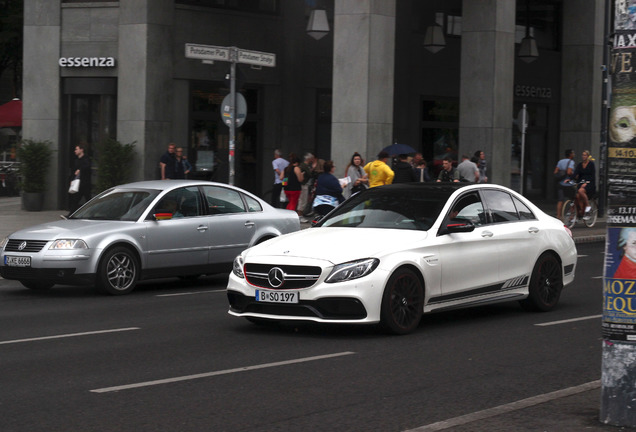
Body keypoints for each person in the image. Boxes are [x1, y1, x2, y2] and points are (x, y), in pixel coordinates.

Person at [67, 144, 92, 216]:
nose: (75, 151)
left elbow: (87, 167)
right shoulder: (76, 161)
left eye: (76, 149)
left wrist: (80, 170)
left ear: (81, 150)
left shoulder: (86, 159)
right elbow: (73, 171)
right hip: (78, 183)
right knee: (76, 199)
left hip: (85, 183)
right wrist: (72, 179)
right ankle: (71, 214)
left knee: (88, 199)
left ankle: (91, 213)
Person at [573, 150, 596, 219]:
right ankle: (581, 213)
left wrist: (587, 182)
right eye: (583, 155)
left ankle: (588, 207)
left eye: (585, 155)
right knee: (577, 197)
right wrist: (569, 179)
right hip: (581, 183)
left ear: (588, 156)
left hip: (590, 184)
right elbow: (575, 173)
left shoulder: (591, 164)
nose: (583, 156)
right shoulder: (580, 165)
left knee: (580, 191)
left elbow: (593, 176)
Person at [554, 149, 575, 218]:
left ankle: (558, 215)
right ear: (570, 154)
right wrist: (574, 174)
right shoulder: (571, 162)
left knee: (560, 200)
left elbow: (555, 172)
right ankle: (571, 216)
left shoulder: (560, 161)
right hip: (568, 184)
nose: (574, 154)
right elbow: (569, 172)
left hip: (560, 184)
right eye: (573, 153)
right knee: (573, 199)